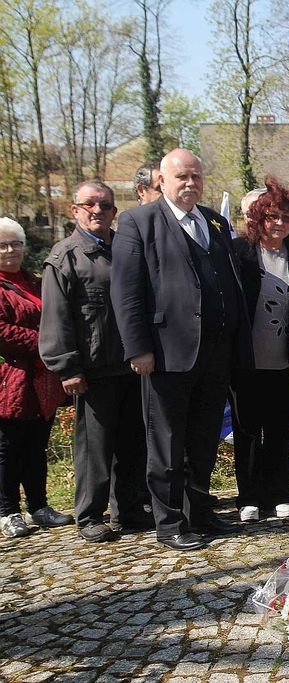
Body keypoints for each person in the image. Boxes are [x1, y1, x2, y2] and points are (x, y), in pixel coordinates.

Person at [111, 148, 251, 551]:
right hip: (166, 353)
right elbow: (126, 292)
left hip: (216, 351)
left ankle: (199, 513)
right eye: (181, 177)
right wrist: (137, 348)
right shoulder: (138, 222)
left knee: (204, 438)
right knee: (167, 441)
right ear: (162, 181)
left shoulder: (214, 221)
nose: (190, 183)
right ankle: (169, 522)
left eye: (196, 176)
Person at [39, 181, 151, 543]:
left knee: (132, 445)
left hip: (131, 365)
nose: (97, 211)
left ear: (114, 211)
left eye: (105, 205)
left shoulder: (126, 248)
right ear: (75, 210)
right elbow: (56, 318)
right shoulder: (65, 257)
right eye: (90, 204)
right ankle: (89, 515)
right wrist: (67, 368)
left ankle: (128, 510)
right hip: (93, 370)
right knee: (95, 450)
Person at [232, 176, 289, 523]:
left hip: (288, 361)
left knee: (282, 429)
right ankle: (248, 498)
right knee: (247, 431)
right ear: (258, 219)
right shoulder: (239, 253)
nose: (279, 223)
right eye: (272, 216)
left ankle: (280, 493)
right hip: (245, 360)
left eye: (286, 217)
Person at [0, 218, 70, 539]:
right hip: (11, 378)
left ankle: (39, 506)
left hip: (44, 378)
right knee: (8, 448)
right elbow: (4, 332)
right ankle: (8, 512)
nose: (10, 250)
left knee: (36, 445)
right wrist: (47, 342)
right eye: (2, 245)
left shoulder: (36, 281)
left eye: (15, 244)